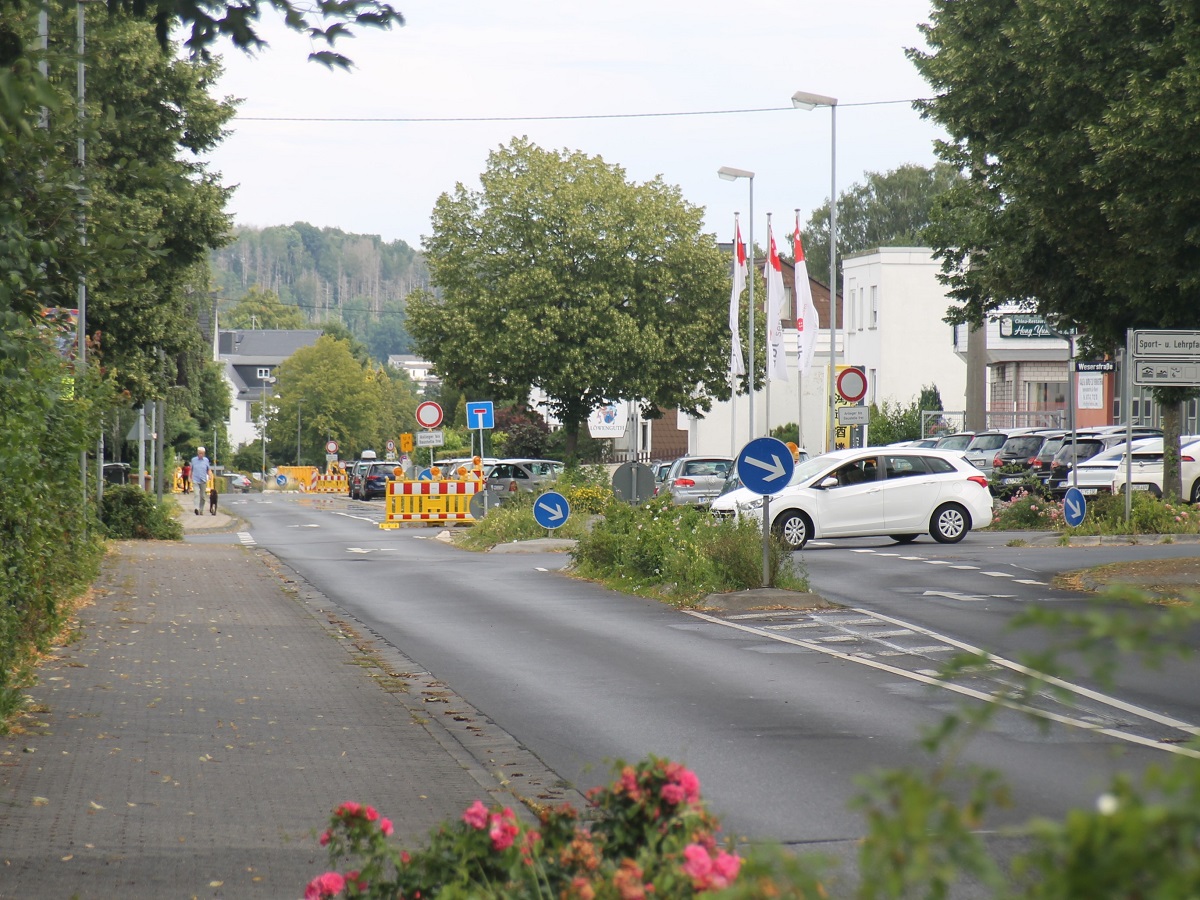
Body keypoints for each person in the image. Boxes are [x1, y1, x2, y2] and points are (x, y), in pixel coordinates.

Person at [190, 447, 212, 516]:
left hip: (203, 480)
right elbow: (191, 469)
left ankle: (201, 509)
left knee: (202, 496)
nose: (201, 455)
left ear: (204, 454)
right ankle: (196, 508)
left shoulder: (206, 460)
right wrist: (189, 477)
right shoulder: (193, 460)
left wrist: (210, 475)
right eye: (199, 453)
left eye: (202, 453)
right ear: (197, 453)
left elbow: (208, 469)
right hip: (195, 480)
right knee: (196, 494)